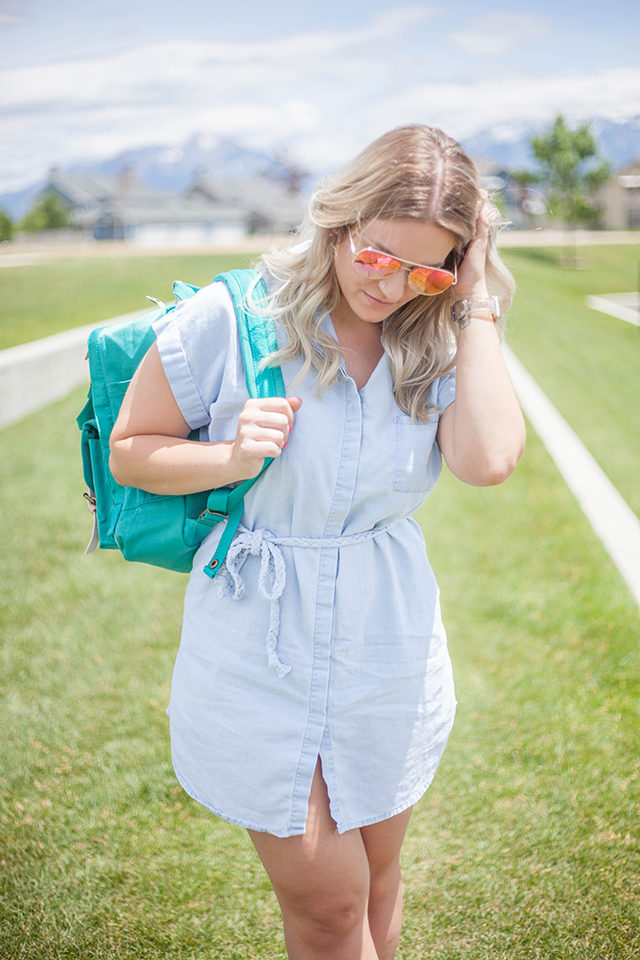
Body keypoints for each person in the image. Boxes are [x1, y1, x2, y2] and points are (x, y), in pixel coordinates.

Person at [110, 124, 526, 960]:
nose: (395, 286)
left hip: (387, 642)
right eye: (377, 256)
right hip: (260, 648)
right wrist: (229, 455)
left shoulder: (438, 332)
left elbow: (487, 460)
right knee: (331, 910)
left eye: (428, 267)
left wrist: (471, 294)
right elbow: (132, 450)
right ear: (340, 221)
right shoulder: (233, 315)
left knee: (378, 886)